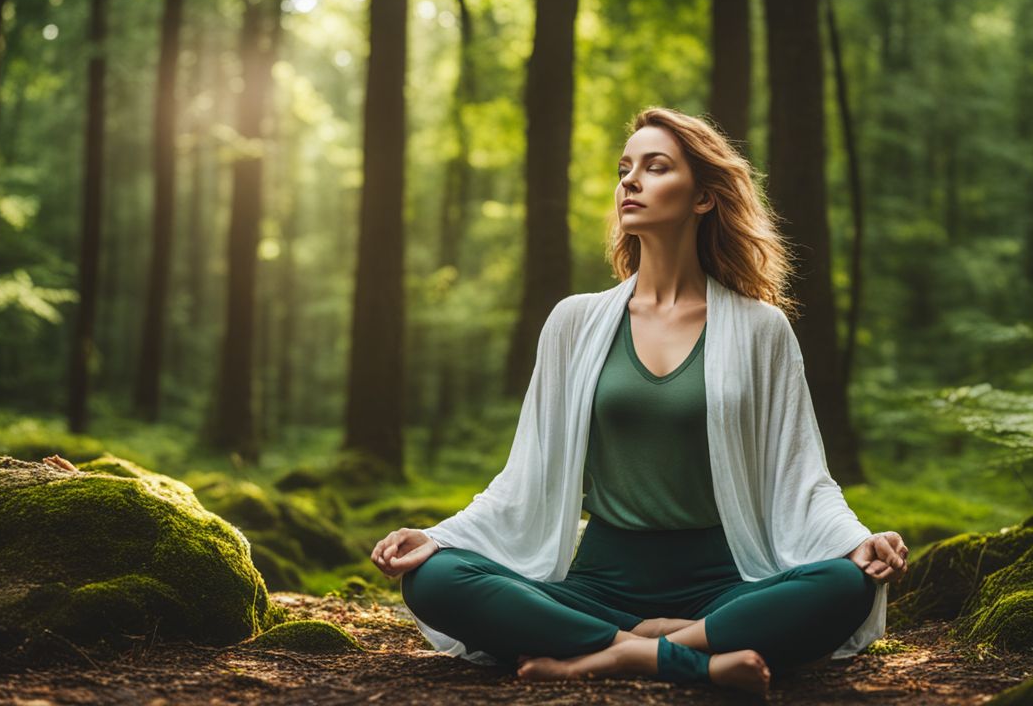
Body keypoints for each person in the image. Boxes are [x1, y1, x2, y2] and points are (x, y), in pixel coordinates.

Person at [371, 107, 908, 697]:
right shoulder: (574, 321)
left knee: (845, 583)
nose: (630, 181)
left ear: (703, 197)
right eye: (625, 168)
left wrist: (857, 539)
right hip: (597, 585)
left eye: (655, 168)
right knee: (435, 578)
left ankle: (598, 655)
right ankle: (689, 654)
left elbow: (801, 475)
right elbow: (523, 475)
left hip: (725, 583)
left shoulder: (762, 329)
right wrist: (441, 537)